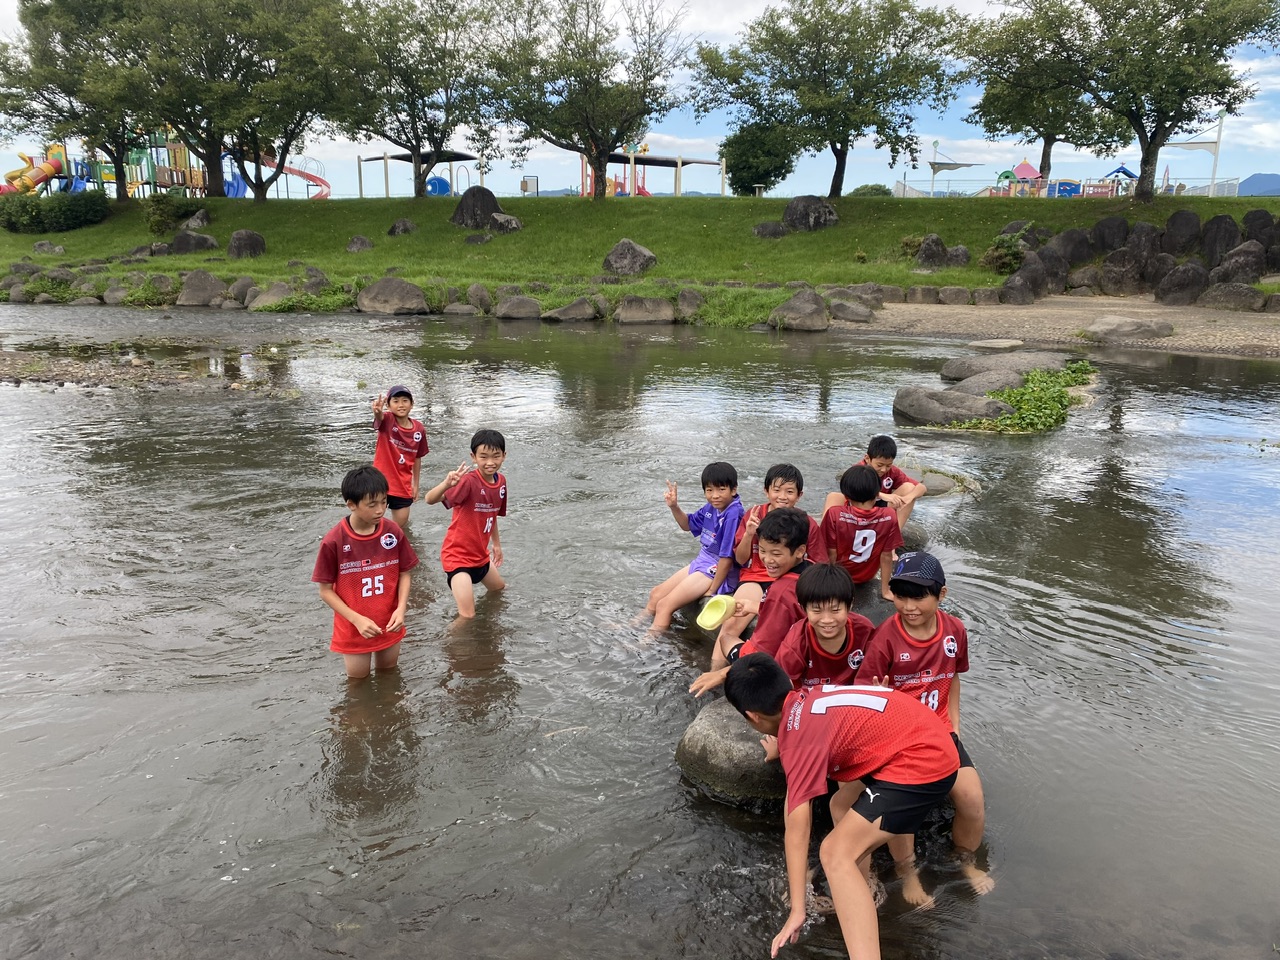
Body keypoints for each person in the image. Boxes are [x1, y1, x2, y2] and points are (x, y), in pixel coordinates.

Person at [724, 653, 960, 960]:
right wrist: (781, 747)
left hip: (923, 764)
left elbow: (797, 829)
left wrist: (797, 909)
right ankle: (862, 888)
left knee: (834, 853)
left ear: (753, 716)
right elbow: (811, 737)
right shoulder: (809, 697)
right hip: (927, 737)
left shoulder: (798, 741)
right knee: (841, 803)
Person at [860, 551, 994, 904]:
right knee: (902, 810)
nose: (909, 606)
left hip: (940, 731)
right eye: (901, 596)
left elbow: (953, 678)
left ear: (941, 594)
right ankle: (907, 875)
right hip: (898, 738)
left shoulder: (955, 631)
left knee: (972, 800)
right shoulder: (884, 638)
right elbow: (866, 697)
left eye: (918, 596)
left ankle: (965, 862)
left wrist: (955, 727)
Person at [688, 507, 812, 696]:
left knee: (726, 638)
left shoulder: (780, 592)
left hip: (781, 669)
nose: (767, 559)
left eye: (776, 554)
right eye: (762, 551)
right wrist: (756, 607)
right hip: (806, 656)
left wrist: (721, 675)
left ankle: (715, 684)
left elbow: (763, 651)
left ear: (800, 551)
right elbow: (790, 611)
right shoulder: (809, 573)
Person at [312, 464, 419, 679]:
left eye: (384, 502)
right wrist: (357, 620)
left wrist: (401, 609)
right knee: (358, 685)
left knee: (389, 678)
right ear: (351, 504)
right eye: (372, 504)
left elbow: (404, 573)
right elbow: (325, 591)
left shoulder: (392, 532)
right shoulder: (334, 541)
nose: (380, 510)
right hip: (354, 629)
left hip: (390, 623)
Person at [717, 464, 826, 654]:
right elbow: (741, 560)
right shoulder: (754, 515)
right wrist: (749, 534)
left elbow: (819, 564)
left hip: (790, 581)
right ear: (766, 491)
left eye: (789, 491)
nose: (782, 497)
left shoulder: (805, 523)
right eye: (776, 490)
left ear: (799, 495)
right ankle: (715, 668)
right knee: (729, 627)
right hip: (756, 578)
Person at [643, 461, 743, 634]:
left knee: (665, 605)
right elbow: (687, 525)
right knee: (656, 594)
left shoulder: (733, 514)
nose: (715, 495)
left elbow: (727, 558)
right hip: (704, 560)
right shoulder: (711, 507)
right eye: (709, 490)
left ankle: (647, 643)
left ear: (733, 490)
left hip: (716, 568)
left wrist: (712, 590)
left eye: (721, 489)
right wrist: (674, 506)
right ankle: (633, 626)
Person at [424, 428, 508, 619]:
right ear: (473, 457)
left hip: (480, 555)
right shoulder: (468, 482)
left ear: (504, 456)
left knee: (500, 591)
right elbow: (429, 499)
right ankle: (447, 639)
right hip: (458, 557)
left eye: (496, 456)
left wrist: (496, 544)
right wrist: (446, 484)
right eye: (483, 457)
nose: (490, 462)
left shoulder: (501, 482)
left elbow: (492, 514)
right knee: (467, 616)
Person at [773, 562, 875, 690]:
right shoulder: (795, 645)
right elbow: (780, 688)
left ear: (850, 605)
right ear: (803, 608)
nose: (827, 620)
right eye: (817, 610)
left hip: (855, 697)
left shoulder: (865, 630)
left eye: (835, 610)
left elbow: (876, 671)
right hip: (810, 700)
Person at [822, 465, 904, 602]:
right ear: (877, 493)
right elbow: (886, 556)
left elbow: (831, 553)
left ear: (846, 494)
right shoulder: (889, 515)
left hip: (840, 577)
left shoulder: (835, 514)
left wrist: (829, 583)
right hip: (866, 576)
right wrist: (885, 590)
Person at [824, 435, 926, 530]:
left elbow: (921, 487)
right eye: (879, 465)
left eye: (888, 465)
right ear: (867, 458)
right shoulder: (858, 470)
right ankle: (826, 533)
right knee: (834, 496)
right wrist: (882, 495)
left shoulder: (893, 471)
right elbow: (856, 492)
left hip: (879, 509)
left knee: (909, 487)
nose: (884, 469)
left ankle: (894, 533)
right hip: (858, 508)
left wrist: (908, 498)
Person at [370, 385, 430, 528]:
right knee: (371, 525)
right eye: (396, 401)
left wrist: (415, 484)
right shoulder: (387, 420)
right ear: (388, 405)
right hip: (379, 482)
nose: (401, 405)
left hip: (403, 484)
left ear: (412, 404)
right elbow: (379, 419)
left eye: (405, 401)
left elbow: (417, 457)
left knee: (399, 529)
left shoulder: (419, 429)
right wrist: (377, 412)